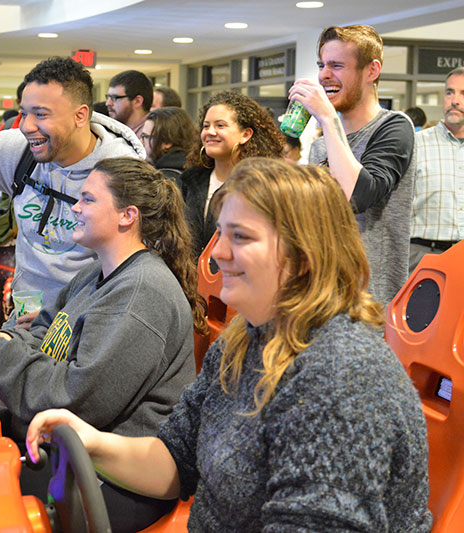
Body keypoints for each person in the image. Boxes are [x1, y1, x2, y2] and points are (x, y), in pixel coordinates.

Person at [27, 158, 433, 533]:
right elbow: (173, 462)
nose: (217, 252)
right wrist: (88, 439)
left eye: (240, 237)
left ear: (304, 255)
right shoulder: (243, 342)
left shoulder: (343, 375)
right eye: (220, 232)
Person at [0, 157, 208, 532]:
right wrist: (5, 339)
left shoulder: (141, 292)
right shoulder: (98, 271)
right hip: (70, 457)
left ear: (128, 216)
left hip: (116, 480)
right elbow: (45, 329)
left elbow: (78, 400)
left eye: (88, 200)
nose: (74, 208)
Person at [0, 57, 145, 325]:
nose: (26, 126)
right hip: (24, 319)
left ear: (80, 115)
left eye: (41, 114)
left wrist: (64, 318)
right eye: (24, 112)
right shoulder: (17, 150)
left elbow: (132, 272)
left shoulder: (123, 172)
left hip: (87, 325)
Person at [288, 24, 416, 304]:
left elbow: (358, 196)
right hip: (322, 293)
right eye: (322, 65)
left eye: (337, 65)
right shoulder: (322, 145)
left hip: (371, 300)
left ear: (372, 70)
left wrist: (327, 119)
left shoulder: (394, 127)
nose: (324, 75)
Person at [179, 90, 283, 254]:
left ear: (246, 134)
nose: (210, 132)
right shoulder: (189, 180)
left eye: (220, 125)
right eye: (206, 126)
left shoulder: (262, 184)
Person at [410, 66, 464, 270]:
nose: (454, 100)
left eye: (463, 94)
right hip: (424, 256)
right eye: (449, 92)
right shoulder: (416, 144)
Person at [140, 106, 197, 179]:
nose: (141, 142)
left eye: (145, 137)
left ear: (167, 142)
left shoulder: (164, 180)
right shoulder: (192, 169)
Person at [106, 70, 153, 137]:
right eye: (108, 97)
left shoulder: (150, 136)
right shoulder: (121, 132)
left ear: (138, 101)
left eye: (115, 98)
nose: (108, 103)